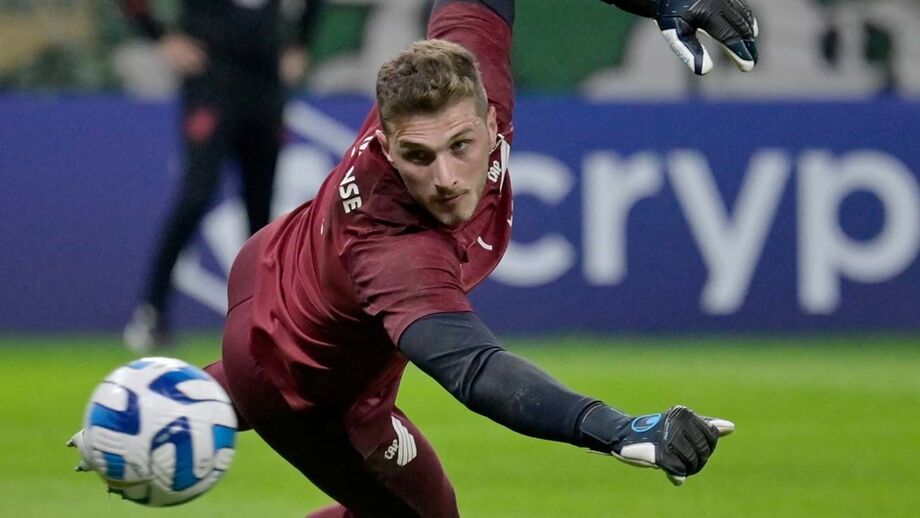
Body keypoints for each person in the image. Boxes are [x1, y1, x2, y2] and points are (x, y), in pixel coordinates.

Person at [113, 0, 757, 515]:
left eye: (460, 146)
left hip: (284, 274)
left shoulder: (467, 72)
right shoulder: (394, 247)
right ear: (387, 146)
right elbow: (476, 370)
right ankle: (229, 389)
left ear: (491, 116)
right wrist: (619, 429)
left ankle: (180, 401)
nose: (446, 178)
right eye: (417, 157)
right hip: (303, 386)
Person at [120, 0, 325, 351]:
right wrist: (161, 36)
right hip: (212, 81)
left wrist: (300, 42)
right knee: (196, 196)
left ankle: (263, 317)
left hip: (264, 83)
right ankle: (152, 310)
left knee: (260, 209)